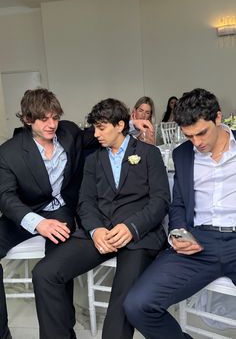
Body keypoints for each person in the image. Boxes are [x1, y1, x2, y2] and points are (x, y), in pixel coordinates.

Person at [32, 97, 170, 339]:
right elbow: (85, 201)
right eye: (94, 127)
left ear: (120, 125)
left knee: (122, 299)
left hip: (138, 236)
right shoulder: (94, 160)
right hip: (99, 233)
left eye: (101, 127)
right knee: (45, 273)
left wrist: (132, 227)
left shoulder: (149, 154)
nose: (95, 134)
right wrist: (95, 230)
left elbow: (160, 201)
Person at [124, 88, 236, 339]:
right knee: (137, 305)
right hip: (199, 242)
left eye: (201, 133)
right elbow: (178, 204)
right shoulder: (182, 153)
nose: (197, 143)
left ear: (218, 118)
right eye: (189, 136)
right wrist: (178, 233)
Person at [0, 88, 98, 339]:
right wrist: (38, 223)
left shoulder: (69, 132)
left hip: (61, 210)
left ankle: (62, 331)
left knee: (55, 265)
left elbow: (96, 135)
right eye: (44, 119)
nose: (52, 124)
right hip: (25, 211)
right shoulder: (9, 152)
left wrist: (130, 123)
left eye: (55, 117)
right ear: (27, 119)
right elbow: (5, 197)